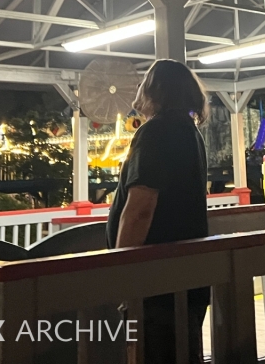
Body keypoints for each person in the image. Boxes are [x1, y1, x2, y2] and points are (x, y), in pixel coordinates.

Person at [106, 59, 210, 364]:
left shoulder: (154, 132)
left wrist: (124, 270)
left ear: (156, 90)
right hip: (184, 271)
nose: (138, 90)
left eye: (142, 83)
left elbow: (140, 208)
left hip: (155, 279)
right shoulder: (189, 132)